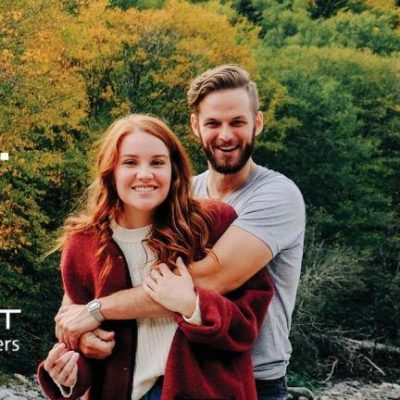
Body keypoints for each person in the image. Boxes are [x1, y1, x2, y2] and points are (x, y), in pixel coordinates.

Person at [54, 65, 306, 400]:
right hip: (160, 376)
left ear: (257, 122)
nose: (226, 135)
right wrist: (75, 333)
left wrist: (94, 312)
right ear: (195, 127)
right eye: (213, 123)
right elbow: (77, 299)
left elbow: (205, 281)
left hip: (252, 377)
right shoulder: (174, 199)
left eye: (238, 122)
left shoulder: (273, 196)